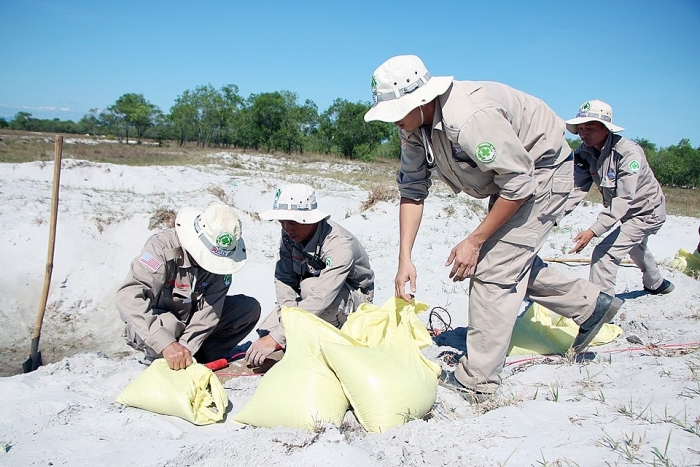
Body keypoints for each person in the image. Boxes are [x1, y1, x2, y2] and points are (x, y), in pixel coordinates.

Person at [363, 55, 623, 400]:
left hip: (542, 174)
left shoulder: (469, 119)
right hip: (511, 181)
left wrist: (474, 240)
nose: (393, 121)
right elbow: (412, 190)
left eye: (397, 111)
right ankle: (590, 305)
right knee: (508, 258)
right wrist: (404, 259)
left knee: (493, 267)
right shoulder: (413, 127)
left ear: (422, 100)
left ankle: (478, 381)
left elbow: (519, 182)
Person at [116, 203, 261, 370]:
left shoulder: (222, 263)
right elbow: (128, 297)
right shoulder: (161, 248)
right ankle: (160, 359)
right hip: (156, 324)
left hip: (190, 323)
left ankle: (199, 357)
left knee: (247, 309)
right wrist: (166, 343)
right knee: (170, 325)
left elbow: (208, 313)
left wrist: (187, 350)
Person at [245, 183, 375, 367]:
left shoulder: (339, 245)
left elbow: (322, 295)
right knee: (266, 333)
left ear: (310, 219)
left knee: (307, 291)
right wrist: (287, 316)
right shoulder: (290, 234)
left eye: (292, 222)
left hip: (353, 300)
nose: (287, 228)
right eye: (282, 222)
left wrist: (280, 336)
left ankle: (327, 343)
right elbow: (284, 277)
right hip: (316, 295)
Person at [564, 100, 674, 296]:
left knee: (604, 253)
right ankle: (656, 283)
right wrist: (554, 216)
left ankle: (600, 310)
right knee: (635, 246)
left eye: (590, 127)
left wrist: (593, 231)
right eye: (580, 128)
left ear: (606, 129)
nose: (583, 133)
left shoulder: (627, 153)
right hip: (626, 214)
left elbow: (623, 199)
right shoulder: (584, 152)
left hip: (647, 213)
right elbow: (577, 188)